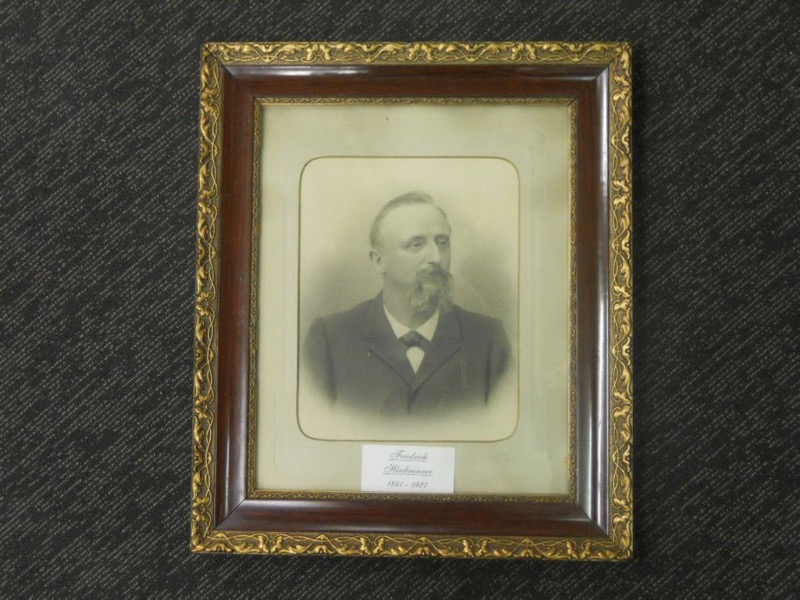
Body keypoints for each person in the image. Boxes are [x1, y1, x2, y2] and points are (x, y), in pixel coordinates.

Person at [302, 191, 511, 416]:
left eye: (442, 243)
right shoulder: (329, 338)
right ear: (379, 261)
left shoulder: (488, 338)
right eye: (416, 244)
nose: (436, 257)